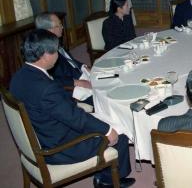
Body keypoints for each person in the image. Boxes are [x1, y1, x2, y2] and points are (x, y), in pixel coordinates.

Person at [9, 29, 135, 188]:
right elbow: (77, 119)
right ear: (45, 55)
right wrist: (108, 130)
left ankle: (103, 175)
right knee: (120, 134)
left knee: (98, 118)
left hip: (41, 135)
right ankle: (107, 181)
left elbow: (56, 106)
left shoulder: (19, 77)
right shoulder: (45, 89)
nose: (57, 55)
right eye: (55, 51)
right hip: (58, 148)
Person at [35, 13, 92, 96]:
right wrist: (77, 82)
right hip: (72, 87)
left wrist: (84, 66)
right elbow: (51, 78)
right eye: (59, 25)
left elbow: (70, 60)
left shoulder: (56, 42)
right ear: (49, 30)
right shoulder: (46, 54)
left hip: (80, 75)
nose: (62, 27)